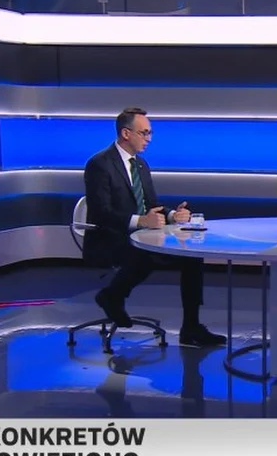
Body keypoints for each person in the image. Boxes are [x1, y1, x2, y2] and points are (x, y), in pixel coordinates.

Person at [83, 107, 226, 348]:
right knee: (144, 254)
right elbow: (100, 213)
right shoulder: (100, 164)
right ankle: (112, 296)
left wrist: (172, 215)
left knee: (191, 256)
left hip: (143, 236)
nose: (149, 139)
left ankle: (191, 326)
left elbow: (151, 204)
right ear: (126, 133)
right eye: (144, 133)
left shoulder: (140, 164)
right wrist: (141, 221)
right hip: (110, 238)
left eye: (150, 133)